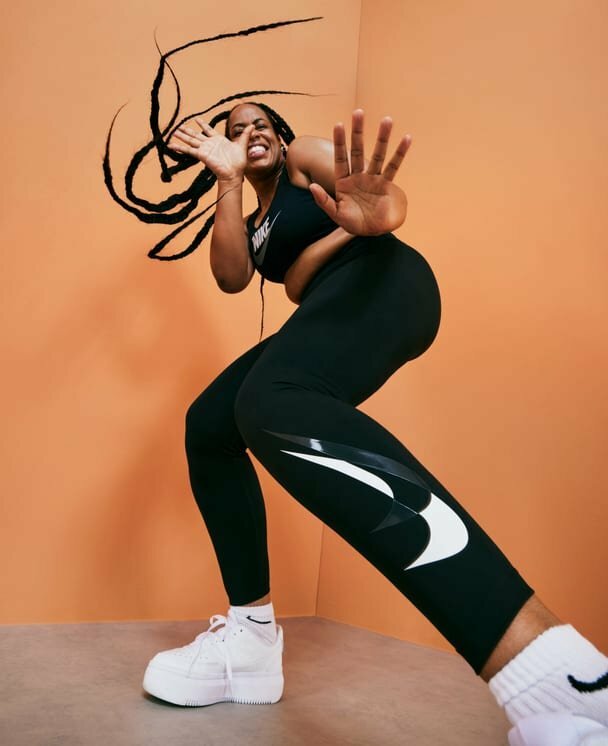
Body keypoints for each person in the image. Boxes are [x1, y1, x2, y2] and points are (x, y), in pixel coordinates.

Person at [140, 103, 608, 746]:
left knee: (271, 401)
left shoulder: (303, 159)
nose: (251, 134)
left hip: (386, 280)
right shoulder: (253, 222)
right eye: (236, 131)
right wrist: (230, 183)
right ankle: (249, 640)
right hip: (330, 300)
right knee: (212, 424)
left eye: (260, 124)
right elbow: (242, 278)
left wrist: (379, 217)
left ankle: (561, 677)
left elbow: (381, 201)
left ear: (280, 137)